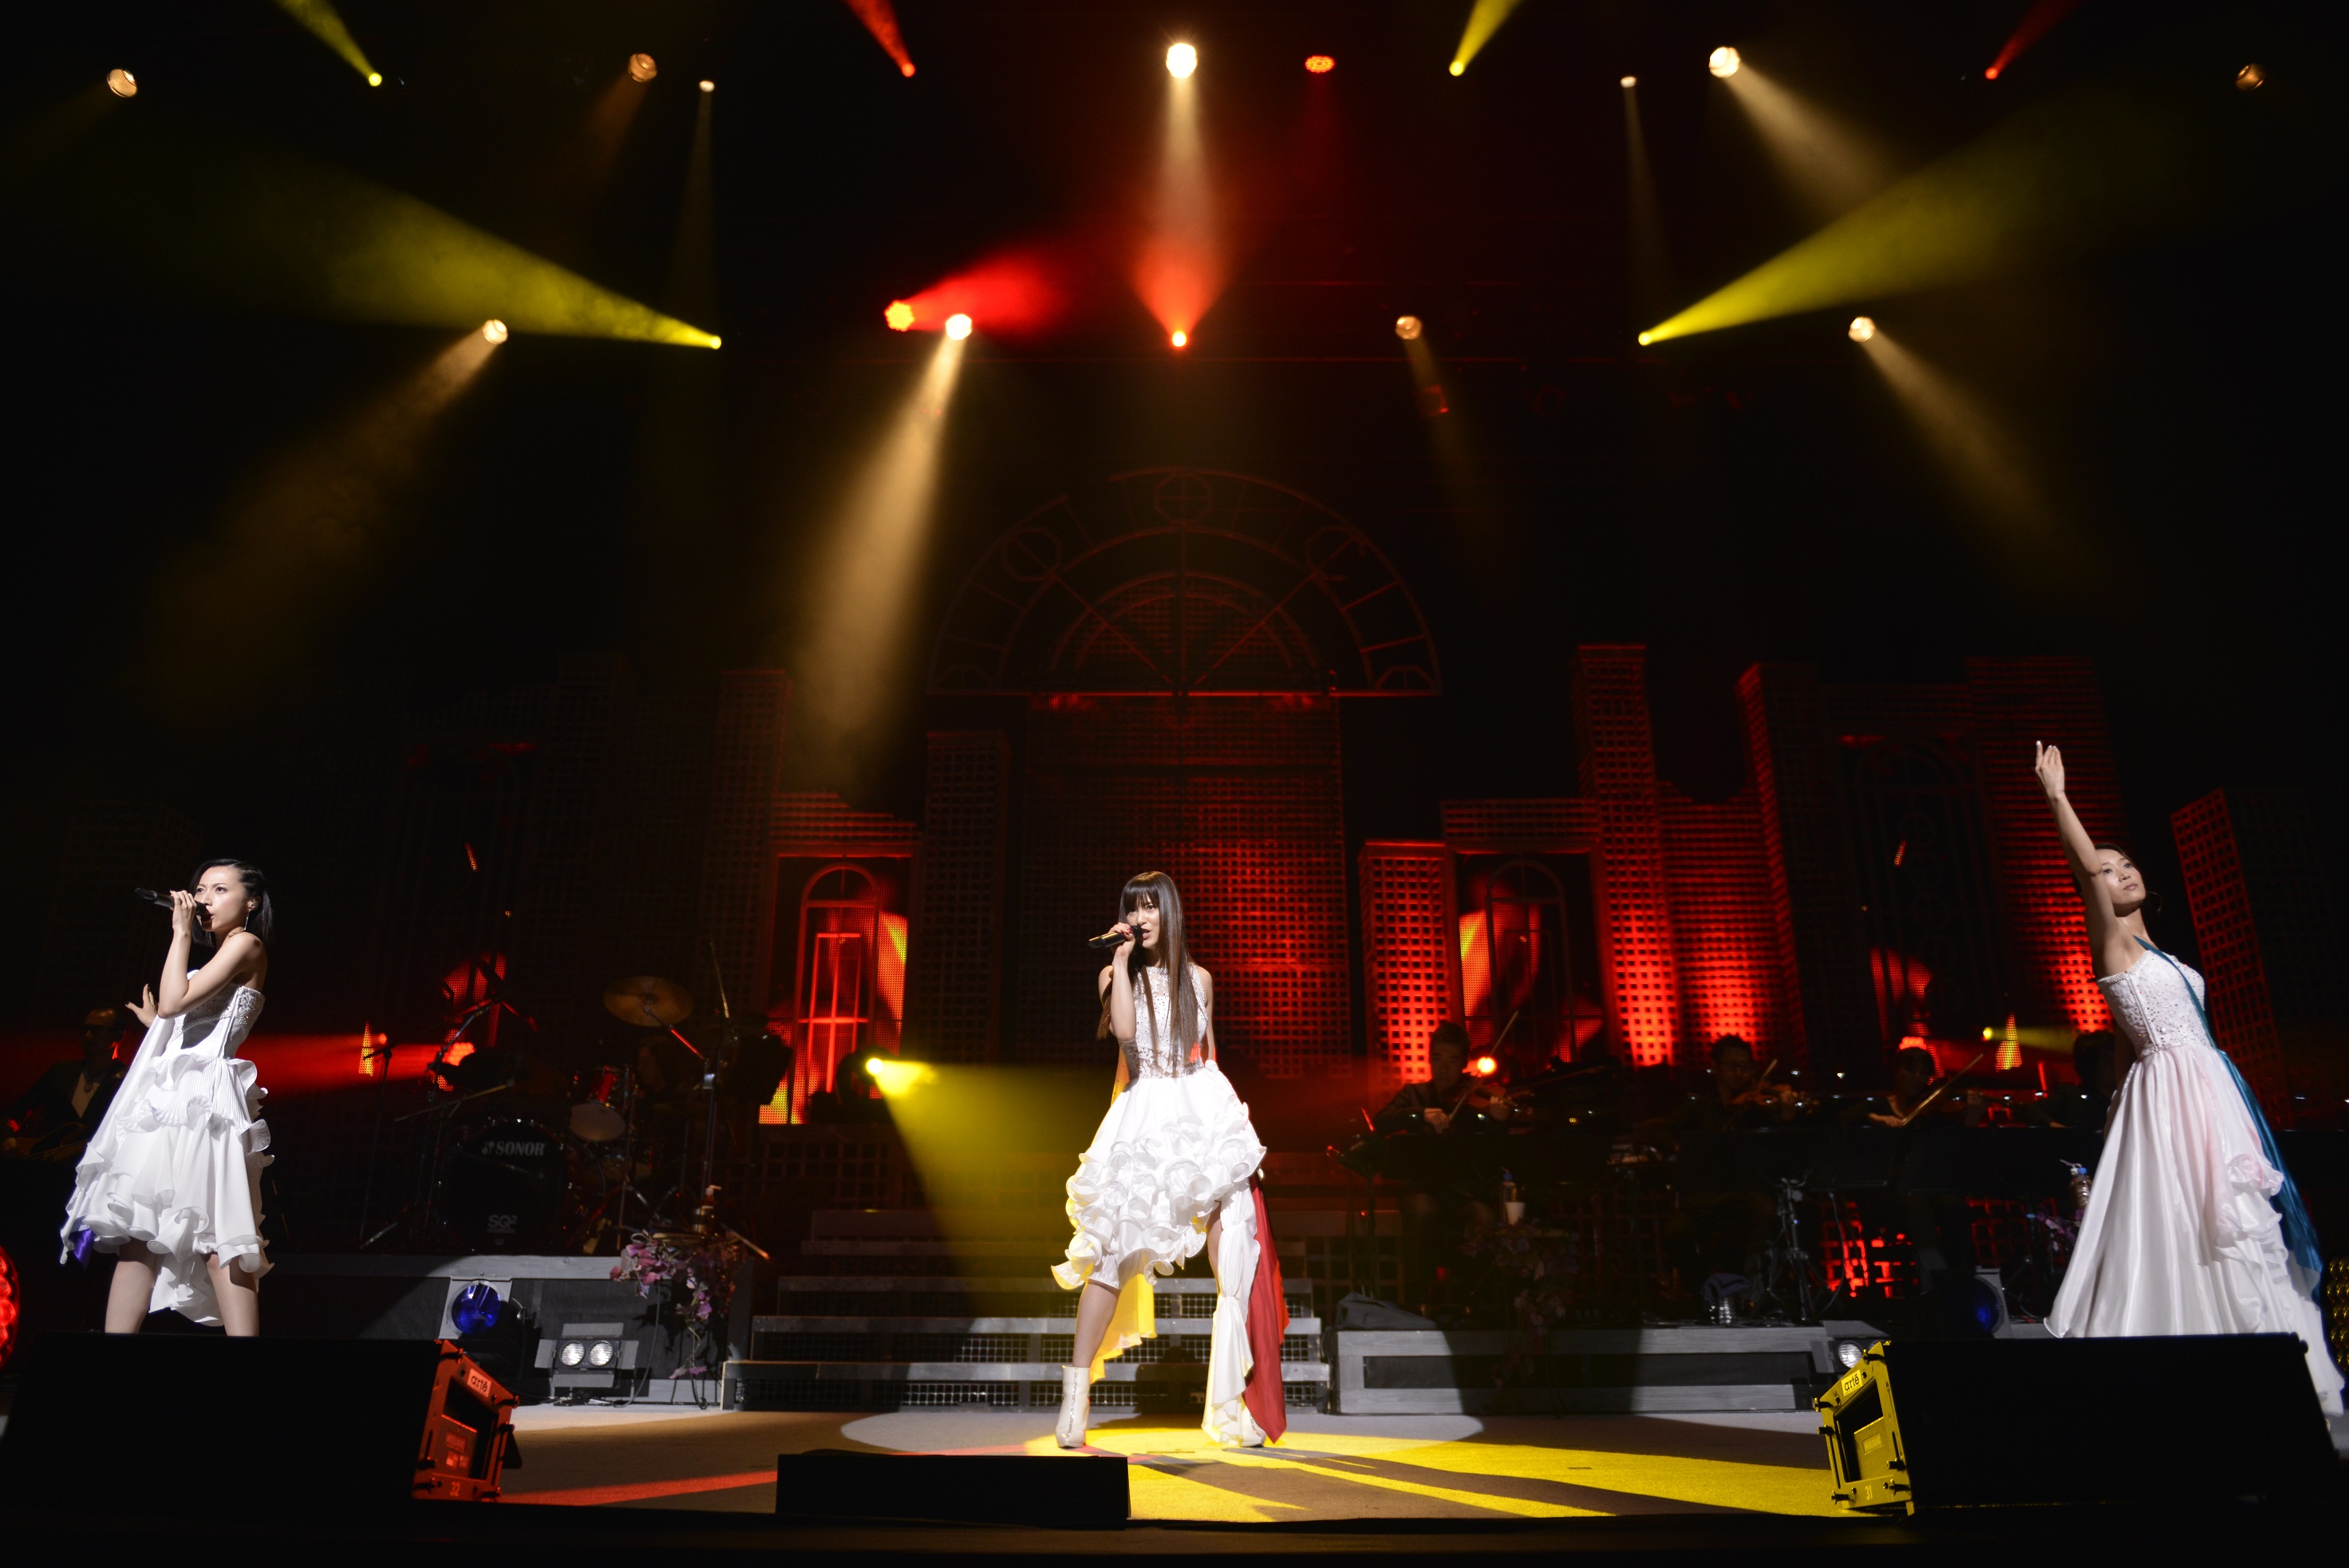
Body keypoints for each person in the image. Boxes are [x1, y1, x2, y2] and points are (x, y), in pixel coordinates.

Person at [2034, 745, 2340, 1412]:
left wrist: (2116, 1105)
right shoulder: (2111, 941)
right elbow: (2085, 873)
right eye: (2106, 870)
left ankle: (2272, 1366)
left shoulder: (2157, 953)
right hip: (2172, 1091)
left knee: (2234, 1217)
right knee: (2184, 1215)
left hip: (2208, 1089)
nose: (2120, 873)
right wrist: (2057, 796)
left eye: (2126, 864)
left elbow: (2123, 1041)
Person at [1050, 872, 1274, 1450]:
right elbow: (1126, 1033)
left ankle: (1233, 1404)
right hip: (1145, 1114)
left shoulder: (1200, 978)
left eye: (1151, 907)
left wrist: (1233, 1126)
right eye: (1133, 908)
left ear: (1169, 911)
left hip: (1201, 1110)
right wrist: (1121, 958)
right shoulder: (1115, 973)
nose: (1141, 917)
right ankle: (1076, 1396)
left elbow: (1210, 1052)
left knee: (1233, 1252)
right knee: (1109, 1252)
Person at [60, 859, 276, 1335]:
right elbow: (179, 1013)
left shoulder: (246, 943)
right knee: (140, 1236)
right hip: (168, 1101)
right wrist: (160, 1027)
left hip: (206, 1100)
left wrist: (180, 934)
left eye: (219, 889)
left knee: (218, 1236)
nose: (204, 900)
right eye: (201, 890)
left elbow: (176, 1001)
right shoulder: (219, 955)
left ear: (251, 901)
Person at [2, 996, 145, 1158]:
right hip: (45, 1165)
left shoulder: (130, 1081)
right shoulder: (60, 1072)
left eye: (98, 1030)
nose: (88, 1036)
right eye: (85, 1029)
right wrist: (8, 1139)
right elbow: (14, 1114)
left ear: (119, 1036)